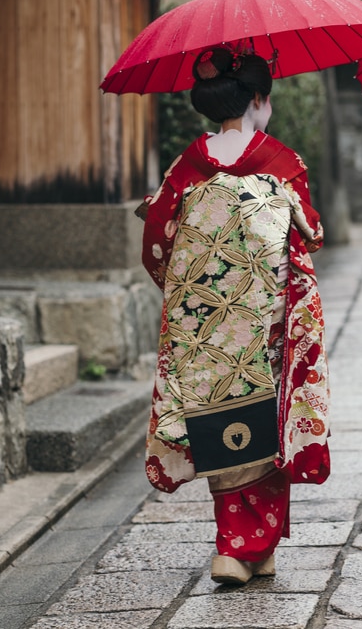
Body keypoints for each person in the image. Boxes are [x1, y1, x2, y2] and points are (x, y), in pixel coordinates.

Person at [140, 46, 330, 583]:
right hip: (267, 315)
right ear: (258, 100)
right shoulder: (283, 162)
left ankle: (243, 547)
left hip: (205, 319)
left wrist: (191, 297)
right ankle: (246, 546)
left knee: (215, 415)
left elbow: (157, 244)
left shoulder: (188, 163)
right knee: (267, 414)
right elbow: (310, 233)